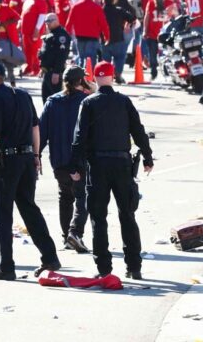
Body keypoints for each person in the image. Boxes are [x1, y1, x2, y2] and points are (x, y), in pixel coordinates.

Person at [0, 60, 60, 281]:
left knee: (2, 214)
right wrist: (36, 156)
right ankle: (49, 256)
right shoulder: (23, 95)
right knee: (29, 207)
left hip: (7, 161)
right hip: (27, 159)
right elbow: (35, 127)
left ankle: (6, 267)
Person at [72, 61, 154, 279]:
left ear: (95, 78)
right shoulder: (124, 102)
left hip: (98, 166)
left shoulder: (88, 103)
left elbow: (80, 137)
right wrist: (147, 156)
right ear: (113, 75)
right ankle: (134, 267)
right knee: (127, 215)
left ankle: (104, 269)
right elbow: (138, 130)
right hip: (122, 165)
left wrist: (75, 166)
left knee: (98, 218)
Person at [39, 67, 91, 254]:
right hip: (79, 160)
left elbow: (41, 132)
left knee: (65, 197)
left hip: (59, 160)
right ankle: (74, 233)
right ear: (81, 81)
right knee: (82, 197)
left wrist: (36, 156)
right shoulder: (86, 101)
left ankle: (65, 236)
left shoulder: (52, 102)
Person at [66, 0, 110, 68]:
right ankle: (90, 75)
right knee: (91, 58)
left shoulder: (76, 6)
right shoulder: (97, 8)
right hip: (93, 37)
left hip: (80, 36)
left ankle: (81, 75)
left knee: (81, 57)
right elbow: (103, 24)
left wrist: (67, 34)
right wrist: (107, 36)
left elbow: (69, 23)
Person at [38, 13, 71, 103]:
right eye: (46, 22)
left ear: (56, 21)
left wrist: (56, 72)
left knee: (56, 100)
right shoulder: (51, 34)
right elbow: (47, 53)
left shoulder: (61, 36)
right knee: (46, 100)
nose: (47, 24)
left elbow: (61, 55)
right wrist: (42, 67)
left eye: (49, 21)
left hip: (55, 73)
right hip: (47, 72)